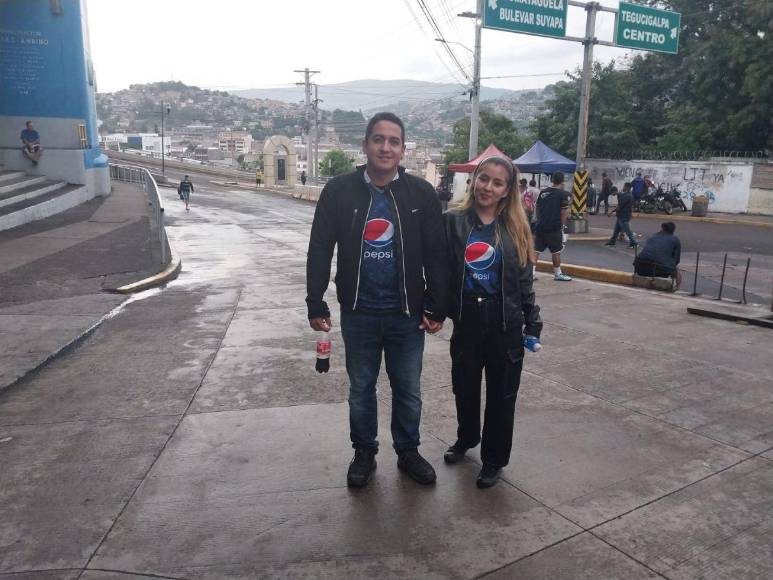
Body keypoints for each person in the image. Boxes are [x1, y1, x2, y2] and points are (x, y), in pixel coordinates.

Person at [306, 112, 448, 489]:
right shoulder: (339, 191)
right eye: (379, 139)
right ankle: (364, 452)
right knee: (360, 389)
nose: (386, 147)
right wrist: (315, 301)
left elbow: (436, 253)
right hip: (359, 312)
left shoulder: (421, 194)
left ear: (403, 149)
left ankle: (408, 451)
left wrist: (438, 306)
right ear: (365, 145)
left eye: (394, 141)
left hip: (406, 314)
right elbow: (320, 247)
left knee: (408, 389)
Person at [443, 156, 543, 488]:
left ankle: (493, 459)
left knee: (502, 396)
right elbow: (439, 272)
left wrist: (533, 323)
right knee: (465, 388)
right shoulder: (453, 221)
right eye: (483, 179)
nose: (488, 187)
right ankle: (466, 437)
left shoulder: (517, 226)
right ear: (475, 180)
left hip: (505, 324)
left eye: (497, 183)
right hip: (468, 319)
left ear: (507, 190)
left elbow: (525, 281)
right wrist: (431, 310)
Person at [534, 171, 572, 281]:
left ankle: (531, 273)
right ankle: (558, 274)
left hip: (540, 226)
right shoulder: (563, 194)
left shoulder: (543, 192)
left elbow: (537, 208)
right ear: (562, 181)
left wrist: (539, 220)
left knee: (536, 250)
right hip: (554, 227)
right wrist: (562, 226)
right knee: (556, 251)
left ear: (552, 180)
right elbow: (563, 212)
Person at [634, 222, 682, 288]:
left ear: (662, 228)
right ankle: (677, 288)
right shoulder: (675, 239)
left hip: (639, 267)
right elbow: (677, 260)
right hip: (659, 271)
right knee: (676, 269)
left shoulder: (653, 236)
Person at [605, 183, 637, 247]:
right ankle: (612, 241)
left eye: (624, 186)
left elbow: (619, 207)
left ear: (627, 187)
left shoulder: (625, 196)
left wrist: (611, 212)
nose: (623, 188)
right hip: (623, 215)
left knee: (627, 231)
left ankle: (634, 243)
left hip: (623, 216)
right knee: (616, 230)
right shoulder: (628, 195)